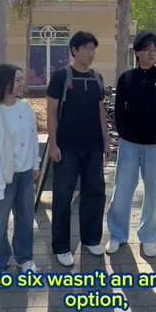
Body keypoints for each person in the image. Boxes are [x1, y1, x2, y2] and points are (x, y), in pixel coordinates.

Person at [106, 30, 156, 258]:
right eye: (146, 49)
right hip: (129, 144)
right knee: (122, 190)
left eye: (155, 49)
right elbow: (118, 111)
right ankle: (117, 235)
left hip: (155, 144)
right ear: (137, 52)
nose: (151, 53)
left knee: (153, 192)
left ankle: (148, 237)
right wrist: (124, 133)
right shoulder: (126, 78)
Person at [46, 31, 110, 267]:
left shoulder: (97, 78)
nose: (91, 53)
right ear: (74, 50)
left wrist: (106, 140)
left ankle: (91, 239)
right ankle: (61, 247)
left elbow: (101, 111)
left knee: (95, 193)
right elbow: (51, 112)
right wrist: (53, 145)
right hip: (67, 149)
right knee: (63, 197)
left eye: (93, 49)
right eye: (86, 49)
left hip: (93, 147)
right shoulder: (61, 76)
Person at [0, 64, 41, 273]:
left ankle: (25, 258)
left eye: (22, 79)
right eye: (18, 79)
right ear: (5, 83)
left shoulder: (26, 109)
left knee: (25, 219)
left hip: (25, 175)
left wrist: (35, 164)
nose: (22, 83)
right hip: (3, 178)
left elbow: (33, 138)